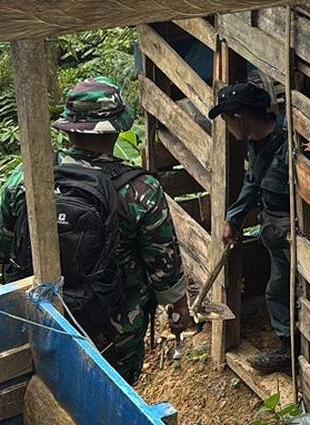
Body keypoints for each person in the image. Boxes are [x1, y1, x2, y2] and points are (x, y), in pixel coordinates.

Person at [0, 77, 193, 383]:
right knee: (113, 396)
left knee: (50, 389)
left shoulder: (25, 176)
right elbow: (163, 266)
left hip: (44, 317)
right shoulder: (140, 190)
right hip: (114, 326)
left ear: (70, 126)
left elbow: (7, 245)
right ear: (117, 127)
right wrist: (178, 305)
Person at [208, 80, 295, 374]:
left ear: (239, 118)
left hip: (293, 235)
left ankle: (292, 352)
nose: (228, 128)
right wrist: (234, 217)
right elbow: (252, 183)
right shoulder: (257, 145)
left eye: (227, 121)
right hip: (273, 230)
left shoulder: (291, 141)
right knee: (279, 290)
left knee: (284, 291)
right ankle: (290, 346)